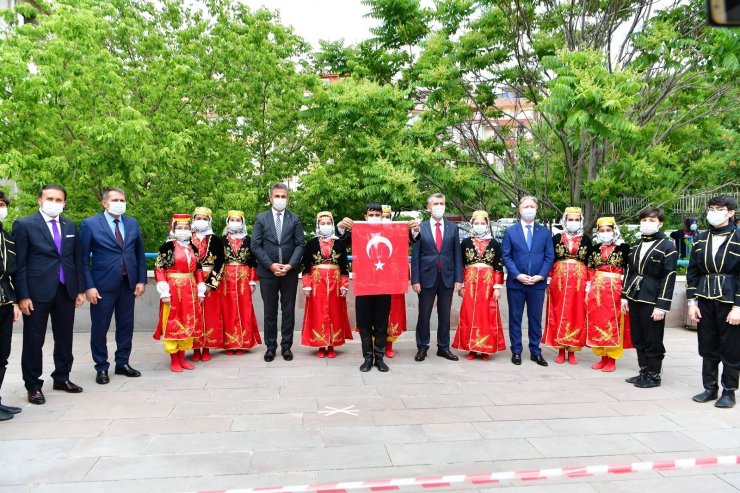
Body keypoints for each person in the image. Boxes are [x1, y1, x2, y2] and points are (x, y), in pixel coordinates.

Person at [14, 184, 86, 405]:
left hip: (65, 290)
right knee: (34, 339)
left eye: (59, 200)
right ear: (39, 200)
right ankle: (33, 385)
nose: (54, 203)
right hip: (36, 292)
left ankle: (62, 377)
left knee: (65, 337)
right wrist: (22, 295)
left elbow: (77, 260)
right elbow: (20, 263)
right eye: (50, 199)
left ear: (64, 202)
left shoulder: (70, 225)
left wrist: (80, 289)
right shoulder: (24, 225)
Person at [337, 203, 420, 372]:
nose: (374, 217)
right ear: (365, 216)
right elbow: (343, 240)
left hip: (384, 285)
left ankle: (380, 358)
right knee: (364, 324)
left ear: (382, 216)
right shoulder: (359, 231)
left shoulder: (391, 232)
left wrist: (415, 230)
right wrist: (340, 227)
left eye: (377, 214)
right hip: (364, 285)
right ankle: (367, 358)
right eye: (371, 214)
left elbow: (411, 239)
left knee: (382, 324)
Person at [80, 188, 147, 385]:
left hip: (128, 284)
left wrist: (141, 280)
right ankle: (101, 367)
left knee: (126, 326)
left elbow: (139, 255)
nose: (120, 203)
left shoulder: (132, 223)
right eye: (115, 199)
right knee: (100, 328)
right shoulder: (90, 224)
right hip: (102, 286)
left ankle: (122, 363)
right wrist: (88, 286)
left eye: (122, 199)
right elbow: (82, 260)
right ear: (104, 203)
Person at [687, 196, 740, 408]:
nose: (714, 212)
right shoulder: (701, 238)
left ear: (731, 212)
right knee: (707, 344)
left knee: (731, 347)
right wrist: (692, 302)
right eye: (711, 208)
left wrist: (738, 307)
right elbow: (693, 272)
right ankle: (710, 387)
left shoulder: (738, 237)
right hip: (705, 299)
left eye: (719, 208)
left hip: (730, 301)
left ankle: (729, 391)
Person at [622, 206, 677, 388]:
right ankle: (643, 371)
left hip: (652, 297)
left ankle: (654, 375)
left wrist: (662, 305)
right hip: (634, 295)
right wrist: (624, 296)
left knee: (653, 337)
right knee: (638, 336)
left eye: (652, 220)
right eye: (644, 220)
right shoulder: (636, 244)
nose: (647, 223)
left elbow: (669, 276)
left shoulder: (667, 246)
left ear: (660, 223)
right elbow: (629, 271)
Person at [251, 183, 305, 362]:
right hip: (268, 273)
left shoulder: (295, 219)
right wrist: (270, 265)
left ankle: (287, 346)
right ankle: (271, 347)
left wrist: (290, 265)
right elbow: (255, 245)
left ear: (288, 198)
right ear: (270, 198)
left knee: (288, 310)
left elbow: (299, 244)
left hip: (289, 272)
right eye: (277, 196)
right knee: (270, 311)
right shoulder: (261, 218)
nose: (280, 199)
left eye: (283, 196)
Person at [501, 196, 555, 367]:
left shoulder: (544, 232)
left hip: (537, 283)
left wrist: (541, 275)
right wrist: (517, 275)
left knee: (535, 318)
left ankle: (535, 351)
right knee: (515, 317)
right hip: (516, 283)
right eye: (526, 206)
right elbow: (506, 256)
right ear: (519, 209)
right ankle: (516, 351)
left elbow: (549, 256)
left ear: (536, 208)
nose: (529, 209)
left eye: (532, 206)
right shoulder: (511, 232)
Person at [411, 193, 463, 362]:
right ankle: (422, 347)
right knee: (424, 314)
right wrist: (415, 280)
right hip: (426, 277)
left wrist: (459, 279)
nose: (439, 206)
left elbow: (457, 255)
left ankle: (443, 347)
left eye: (442, 203)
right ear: (428, 207)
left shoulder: (453, 228)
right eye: (436, 203)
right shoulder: (420, 227)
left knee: (445, 314)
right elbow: (416, 256)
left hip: (447, 277)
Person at [152, 214, 206, 372]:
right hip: (173, 289)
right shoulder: (167, 248)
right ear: (173, 230)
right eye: (179, 228)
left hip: (190, 289)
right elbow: (159, 270)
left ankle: (182, 357)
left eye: (186, 228)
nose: (183, 231)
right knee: (172, 323)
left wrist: (201, 290)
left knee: (188, 322)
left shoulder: (193, 248)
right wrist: (164, 292)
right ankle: (174, 359)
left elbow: (198, 270)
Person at [452, 210, 506, 360]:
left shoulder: (495, 243)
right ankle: (471, 348)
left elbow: (498, 266)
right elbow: (461, 264)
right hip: (470, 283)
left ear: (487, 224)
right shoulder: (466, 242)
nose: (480, 226)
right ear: (472, 224)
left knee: (487, 314)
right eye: (477, 223)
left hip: (488, 285)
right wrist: (461, 284)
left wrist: (497, 287)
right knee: (469, 314)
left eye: (483, 223)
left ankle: (485, 348)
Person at [542, 207, 591, 365]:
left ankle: (573, 350)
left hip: (579, 282)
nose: (573, 223)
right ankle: (560, 349)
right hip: (559, 281)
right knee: (558, 313)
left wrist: (589, 284)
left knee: (577, 313)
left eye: (577, 220)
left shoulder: (586, 240)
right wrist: (548, 279)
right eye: (570, 219)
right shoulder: (556, 238)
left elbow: (590, 263)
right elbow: (550, 258)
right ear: (564, 221)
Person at [301, 211, 352, 357]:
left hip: (335, 284)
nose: (325, 226)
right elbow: (305, 266)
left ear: (333, 224)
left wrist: (344, 285)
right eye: (322, 223)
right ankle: (320, 346)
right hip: (317, 284)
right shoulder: (311, 243)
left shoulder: (340, 243)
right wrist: (307, 285)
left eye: (328, 223)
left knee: (334, 312)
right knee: (318, 313)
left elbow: (344, 266)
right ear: (318, 225)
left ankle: (332, 345)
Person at [586, 217, 632, 372]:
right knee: (598, 322)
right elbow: (590, 271)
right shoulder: (593, 249)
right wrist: (589, 291)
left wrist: (625, 292)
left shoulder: (624, 248)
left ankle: (612, 358)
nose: (605, 233)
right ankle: (602, 356)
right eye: (602, 231)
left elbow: (629, 271)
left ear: (614, 230)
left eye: (608, 230)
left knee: (614, 322)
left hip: (615, 290)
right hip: (597, 291)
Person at [220, 210, 261, 354]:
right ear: (227, 221)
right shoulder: (222, 240)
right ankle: (229, 343)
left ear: (242, 222)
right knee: (227, 309)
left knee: (245, 308)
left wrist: (252, 281)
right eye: (232, 220)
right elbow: (219, 261)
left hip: (244, 277)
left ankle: (243, 342)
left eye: (238, 220)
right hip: (226, 278)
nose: (235, 223)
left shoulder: (249, 240)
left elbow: (253, 261)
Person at [190, 207, 224, 361]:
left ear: (209, 221)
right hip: (191, 282)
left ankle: (207, 347)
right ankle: (195, 348)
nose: (201, 221)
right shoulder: (186, 238)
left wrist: (211, 282)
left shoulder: (215, 240)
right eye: (198, 218)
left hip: (210, 280)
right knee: (194, 314)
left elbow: (220, 263)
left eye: (204, 218)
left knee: (210, 315)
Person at [0, 191, 22, 420]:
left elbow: (10, 272)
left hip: (5, 301)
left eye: (2, 204)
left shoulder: (5, 236)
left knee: (2, 354)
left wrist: (14, 301)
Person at [382, 206, 407, 358]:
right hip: (375, 279)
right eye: (381, 215)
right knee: (375, 312)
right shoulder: (368, 233)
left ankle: (389, 345)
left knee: (392, 312)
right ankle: (374, 346)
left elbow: (404, 253)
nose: (384, 218)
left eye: (387, 215)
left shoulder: (398, 233)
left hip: (393, 278)